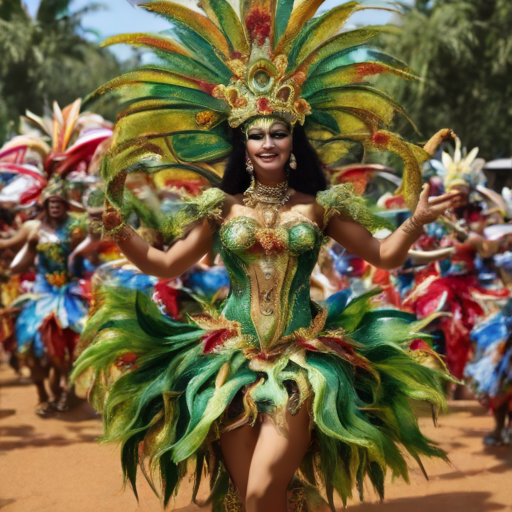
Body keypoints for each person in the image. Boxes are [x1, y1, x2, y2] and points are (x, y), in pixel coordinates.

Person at [73, 1, 460, 510]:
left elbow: (384, 256)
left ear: (293, 140)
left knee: (261, 491)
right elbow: (164, 266)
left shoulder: (320, 208)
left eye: (278, 132)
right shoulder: (220, 209)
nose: (267, 142)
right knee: (246, 495)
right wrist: (119, 230)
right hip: (228, 367)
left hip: (302, 365)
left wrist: (414, 221)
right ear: (243, 144)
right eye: (256, 134)